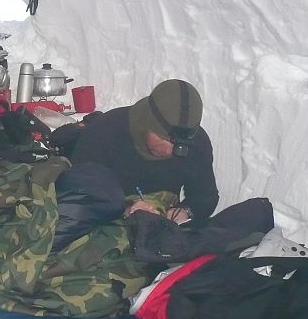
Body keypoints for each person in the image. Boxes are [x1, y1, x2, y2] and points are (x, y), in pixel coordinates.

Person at [70, 79, 219, 225]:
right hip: (106, 224)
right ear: (146, 124)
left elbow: (205, 197)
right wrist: (126, 210)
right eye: (163, 139)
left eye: (179, 145)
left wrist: (185, 212)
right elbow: (76, 194)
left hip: (161, 225)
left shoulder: (197, 142)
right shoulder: (105, 131)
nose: (169, 150)